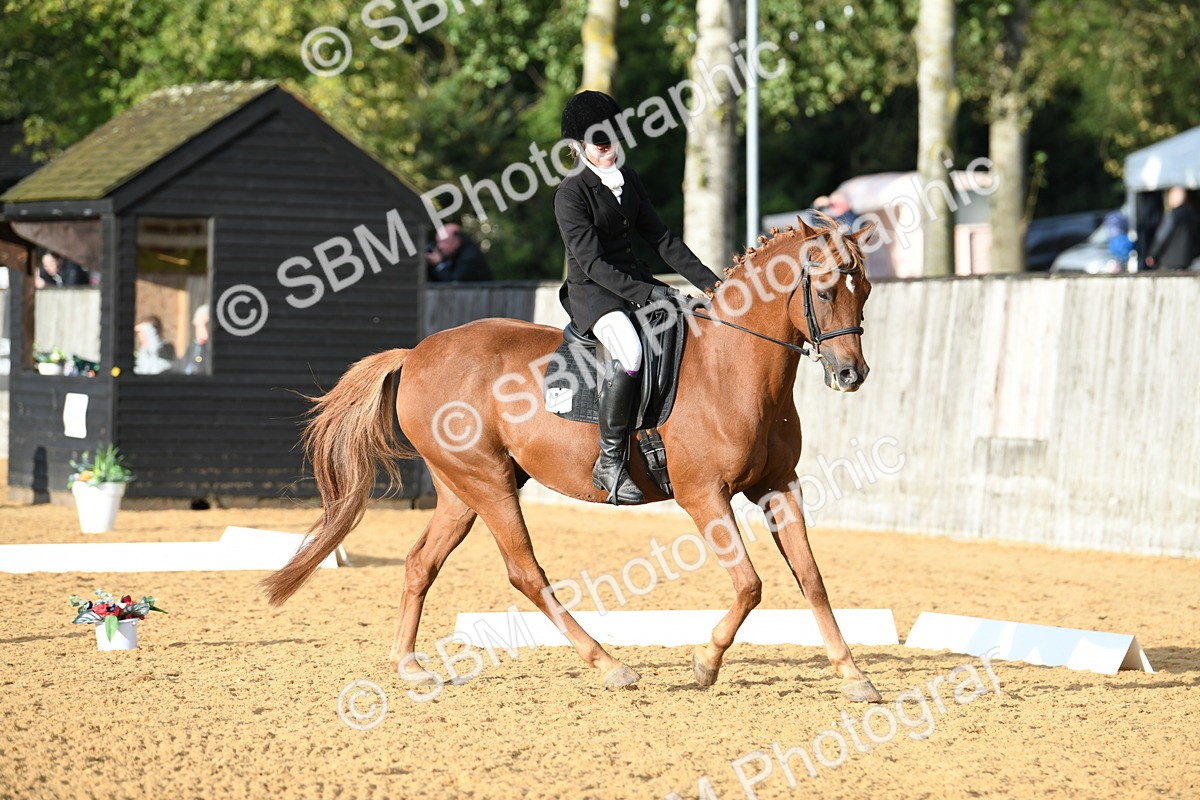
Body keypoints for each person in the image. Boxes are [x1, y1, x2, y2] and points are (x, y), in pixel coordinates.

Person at [554, 90, 720, 505]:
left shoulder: (629, 180)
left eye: (614, 138)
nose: (610, 149)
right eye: (600, 143)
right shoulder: (571, 195)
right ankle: (610, 462)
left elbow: (662, 239)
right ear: (578, 148)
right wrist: (653, 293)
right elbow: (592, 264)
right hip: (595, 295)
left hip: (634, 286)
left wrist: (716, 286)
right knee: (629, 351)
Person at [1145, 187, 1200, 270]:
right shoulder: (1195, 215)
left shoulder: (1172, 215)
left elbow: (1162, 236)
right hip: (1192, 260)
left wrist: (1153, 254)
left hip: (1172, 261)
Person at [425, 223, 493, 282]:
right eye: (438, 242)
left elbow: (453, 284)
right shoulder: (453, 254)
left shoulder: (469, 258)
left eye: (444, 242)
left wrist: (439, 264)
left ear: (457, 240)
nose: (439, 246)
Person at [180, 304, 210, 375]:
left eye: (208, 324)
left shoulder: (210, 348)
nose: (206, 328)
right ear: (195, 322)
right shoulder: (191, 347)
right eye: (204, 324)